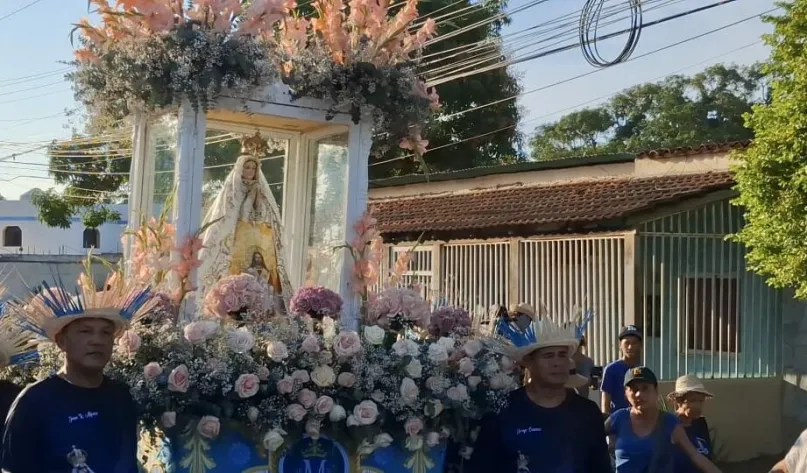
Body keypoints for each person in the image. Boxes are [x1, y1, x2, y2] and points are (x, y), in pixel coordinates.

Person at [1, 274, 157, 473]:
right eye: (85, 331)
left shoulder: (120, 396)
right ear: (61, 342)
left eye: (105, 333)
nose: (97, 340)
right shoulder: (34, 402)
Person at [467, 315, 611, 472]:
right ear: (529, 363)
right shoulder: (503, 410)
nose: (557, 363)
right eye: (548, 356)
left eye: (562, 355)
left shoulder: (587, 412)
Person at [198, 132, 293, 299]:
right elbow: (227, 213)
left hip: (257, 237)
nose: (250, 171)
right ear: (240, 169)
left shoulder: (261, 189)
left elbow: (266, 214)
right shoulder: (232, 189)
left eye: (253, 168)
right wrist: (248, 199)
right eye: (247, 167)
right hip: (236, 235)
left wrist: (256, 198)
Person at [606, 367, 722, 473]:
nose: (639, 394)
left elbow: (696, 456)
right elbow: (591, 441)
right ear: (626, 394)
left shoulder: (670, 423)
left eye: (645, 388)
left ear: (655, 391)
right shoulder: (618, 418)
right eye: (633, 389)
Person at [669, 375, 714, 473]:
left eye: (701, 401)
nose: (698, 406)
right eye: (693, 401)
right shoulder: (668, 426)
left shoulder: (700, 424)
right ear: (678, 401)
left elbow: (708, 459)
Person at [601, 325, 643, 416]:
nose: (630, 347)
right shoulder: (611, 369)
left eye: (634, 343)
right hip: (617, 419)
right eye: (627, 343)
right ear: (620, 345)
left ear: (640, 345)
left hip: (639, 420)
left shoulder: (642, 370)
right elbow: (606, 399)